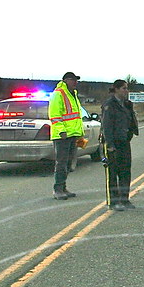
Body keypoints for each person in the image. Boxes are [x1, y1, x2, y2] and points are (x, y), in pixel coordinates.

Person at [101, 78, 139, 211]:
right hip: (113, 142)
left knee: (125, 171)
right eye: (124, 88)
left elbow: (130, 120)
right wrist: (110, 145)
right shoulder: (109, 105)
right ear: (116, 89)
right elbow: (106, 126)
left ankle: (125, 199)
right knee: (113, 172)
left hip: (124, 141)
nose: (126, 91)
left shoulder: (127, 104)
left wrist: (131, 133)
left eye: (127, 88)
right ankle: (113, 201)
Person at [48, 71, 84, 200]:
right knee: (61, 163)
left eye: (76, 80)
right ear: (66, 80)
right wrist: (61, 131)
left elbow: (76, 116)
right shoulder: (58, 94)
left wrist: (80, 133)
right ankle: (58, 189)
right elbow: (55, 115)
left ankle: (63, 187)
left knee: (69, 163)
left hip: (72, 134)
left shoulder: (73, 94)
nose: (75, 82)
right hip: (62, 135)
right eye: (73, 80)